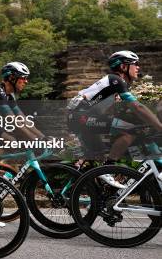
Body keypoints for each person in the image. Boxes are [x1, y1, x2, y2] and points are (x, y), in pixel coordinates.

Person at [68, 51, 162, 186]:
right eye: (135, 64)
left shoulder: (115, 82)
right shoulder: (115, 80)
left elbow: (113, 110)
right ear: (123, 67)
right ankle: (108, 170)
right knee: (130, 131)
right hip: (81, 117)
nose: (138, 67)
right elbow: (138, 108)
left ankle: (98, 189)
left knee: (99, 155)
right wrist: (158, 126)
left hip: (82, 117)